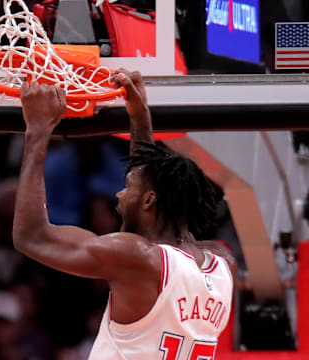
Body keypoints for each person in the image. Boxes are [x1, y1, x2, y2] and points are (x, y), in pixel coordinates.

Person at [13, 70, 236, 359]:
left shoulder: (138, 257)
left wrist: (38, 131)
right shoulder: (221, 264)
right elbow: (149, 197)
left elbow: (30, 236)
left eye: (126, 187)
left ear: (149, 201)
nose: (118, 196)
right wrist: (140, 118)